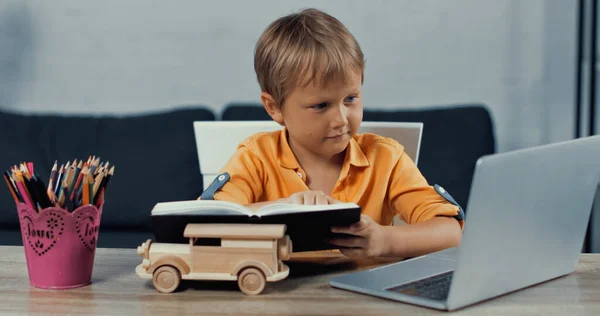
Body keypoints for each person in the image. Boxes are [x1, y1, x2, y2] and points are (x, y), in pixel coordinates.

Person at [200, 8, 464, 259]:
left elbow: (452, 233)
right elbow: (208, 220)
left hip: (365, 302)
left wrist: (384, 240)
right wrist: (282, 209)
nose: (341, 119)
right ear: (275, 108)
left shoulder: (386, 158)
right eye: (321, 105)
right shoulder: (256, 158)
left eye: (350, 98)